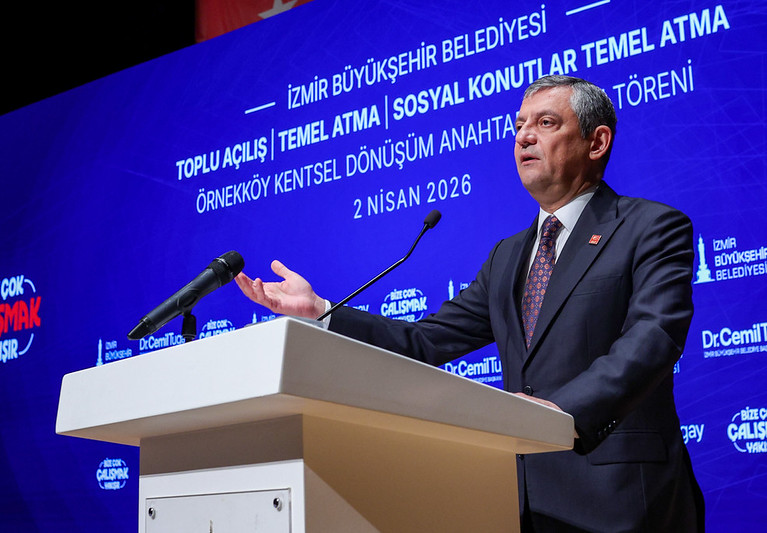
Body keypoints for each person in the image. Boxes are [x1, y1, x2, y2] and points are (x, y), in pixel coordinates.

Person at [235, 75, 705, 532]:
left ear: (596, 142)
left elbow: (652, 338)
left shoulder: (650, 227)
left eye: (545, 124)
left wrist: (555, 415)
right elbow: (424, 341)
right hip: (520, 499)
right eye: (518, 125)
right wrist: (323, 310)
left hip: (622, 495)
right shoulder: (507, 256)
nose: (523, 137)